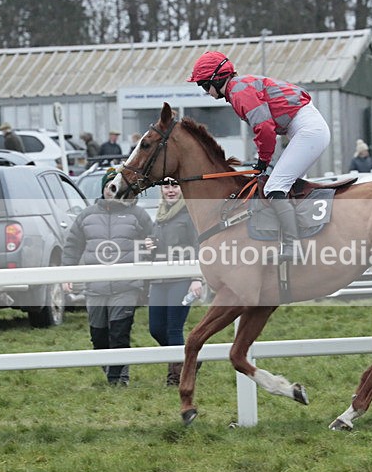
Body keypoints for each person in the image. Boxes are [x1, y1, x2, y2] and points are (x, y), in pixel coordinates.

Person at [187, 51, 330, 263]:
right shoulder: (239, 87)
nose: (205, 91)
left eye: (203, 85)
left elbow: (264, 128)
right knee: (283, 186)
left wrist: (263, 161)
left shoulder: (238, 91)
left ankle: (293, 246)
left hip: (307, 130)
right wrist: (263, 159)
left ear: (217, 79)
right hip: (304, 128)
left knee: (274, 187)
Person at [62, 169, 153, 385]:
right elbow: (72, 246)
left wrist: (151, 244)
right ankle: (111, 370)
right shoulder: (87, 215)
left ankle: (118, 379)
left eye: (116, 186)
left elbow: (154, 237)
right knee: (99, 336)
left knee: (120, 333)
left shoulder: (137, 214)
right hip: (95, 288)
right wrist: (67, 273)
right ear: (103, 190)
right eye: (108, 186)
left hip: (126, 286)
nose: (112, 191)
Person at [143, 178, 202, 386]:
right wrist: (150, 246)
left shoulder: (190, 214)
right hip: (159, 279)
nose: (170, 191)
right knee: (156, 329)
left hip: (182, 279)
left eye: (174, 186)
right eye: (166, 186)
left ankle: (177, 377)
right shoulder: (159, 215)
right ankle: (191, 358)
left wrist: (197, 278)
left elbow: (198, 247)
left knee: (173, 329)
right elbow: (157, 249)